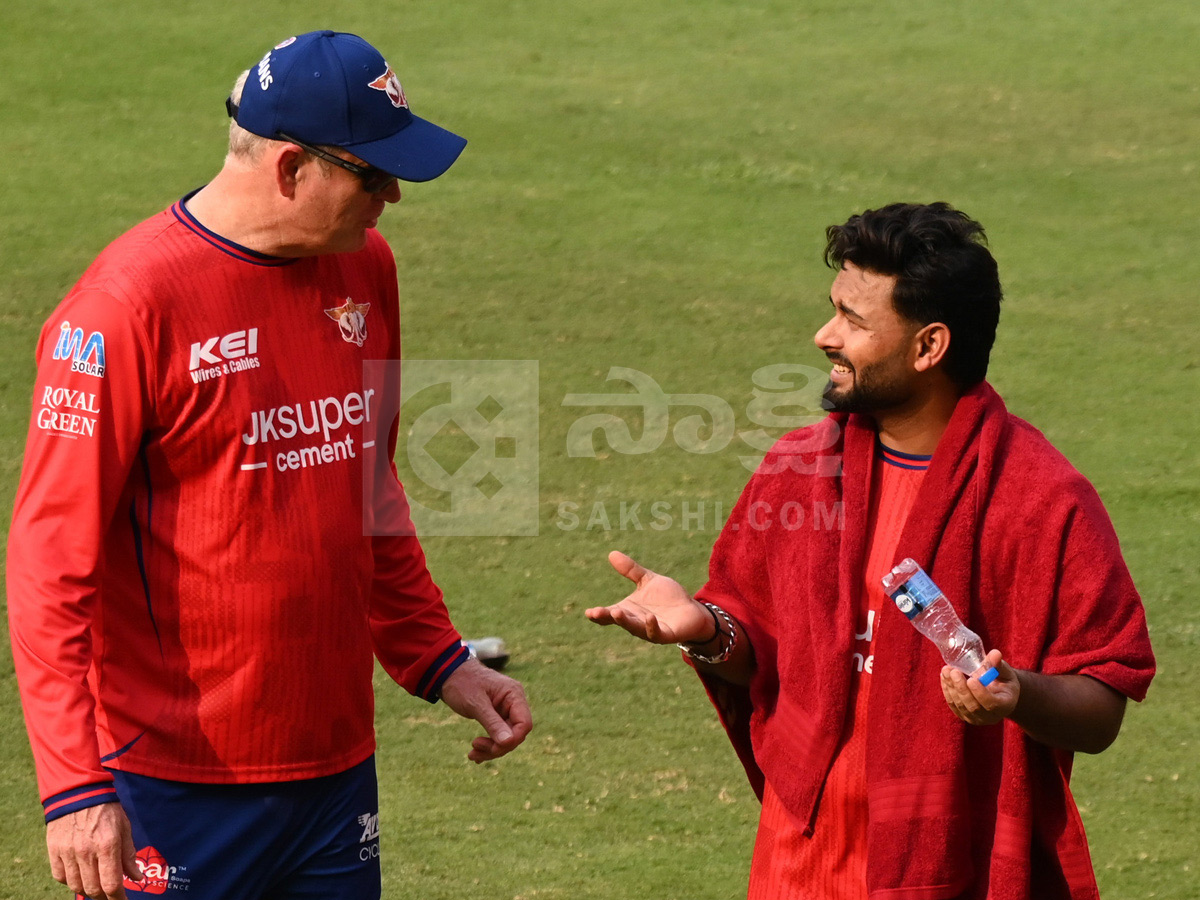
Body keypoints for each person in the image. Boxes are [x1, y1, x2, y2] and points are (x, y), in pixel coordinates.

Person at [7, 30, 532, 900]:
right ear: (292, 168)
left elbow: (367, 485)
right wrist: (72, 787)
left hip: (332, 770)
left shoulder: (363, 267)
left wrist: (436, 657)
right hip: (170, 784)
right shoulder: (121, 310)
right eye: (373, 175)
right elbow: (46, 567)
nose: (394, 196)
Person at [585, 202, 1154, 900]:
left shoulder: (1042, 499)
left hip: (951, 869)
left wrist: (1017, 695)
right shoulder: (795, 470)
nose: (825, 336)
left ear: (928, 347)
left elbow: (1101, 706)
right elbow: (755, 649)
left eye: (853, 321)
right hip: (800, 867)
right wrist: (705, 629)